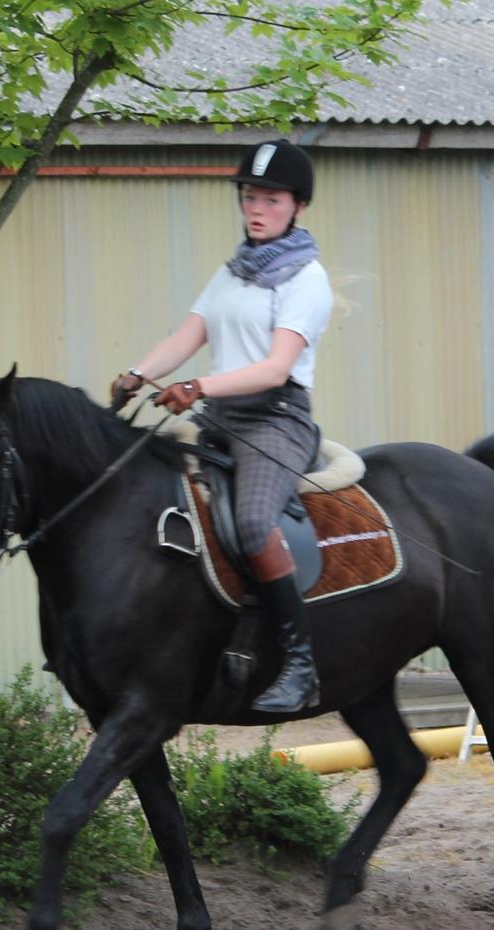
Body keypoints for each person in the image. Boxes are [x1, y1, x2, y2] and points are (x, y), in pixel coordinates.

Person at [112, 139, 333, 715]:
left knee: (255, 524)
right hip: (220, 418)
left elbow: (275, 367)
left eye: (271, 199)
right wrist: (138, 373)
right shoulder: (231, 273)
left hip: (274, 419)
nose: (256, 209)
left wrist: (198, 387)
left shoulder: (306, 280)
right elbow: (189, 337)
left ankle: (300, 662)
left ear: (298, 206)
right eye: (250, 197)